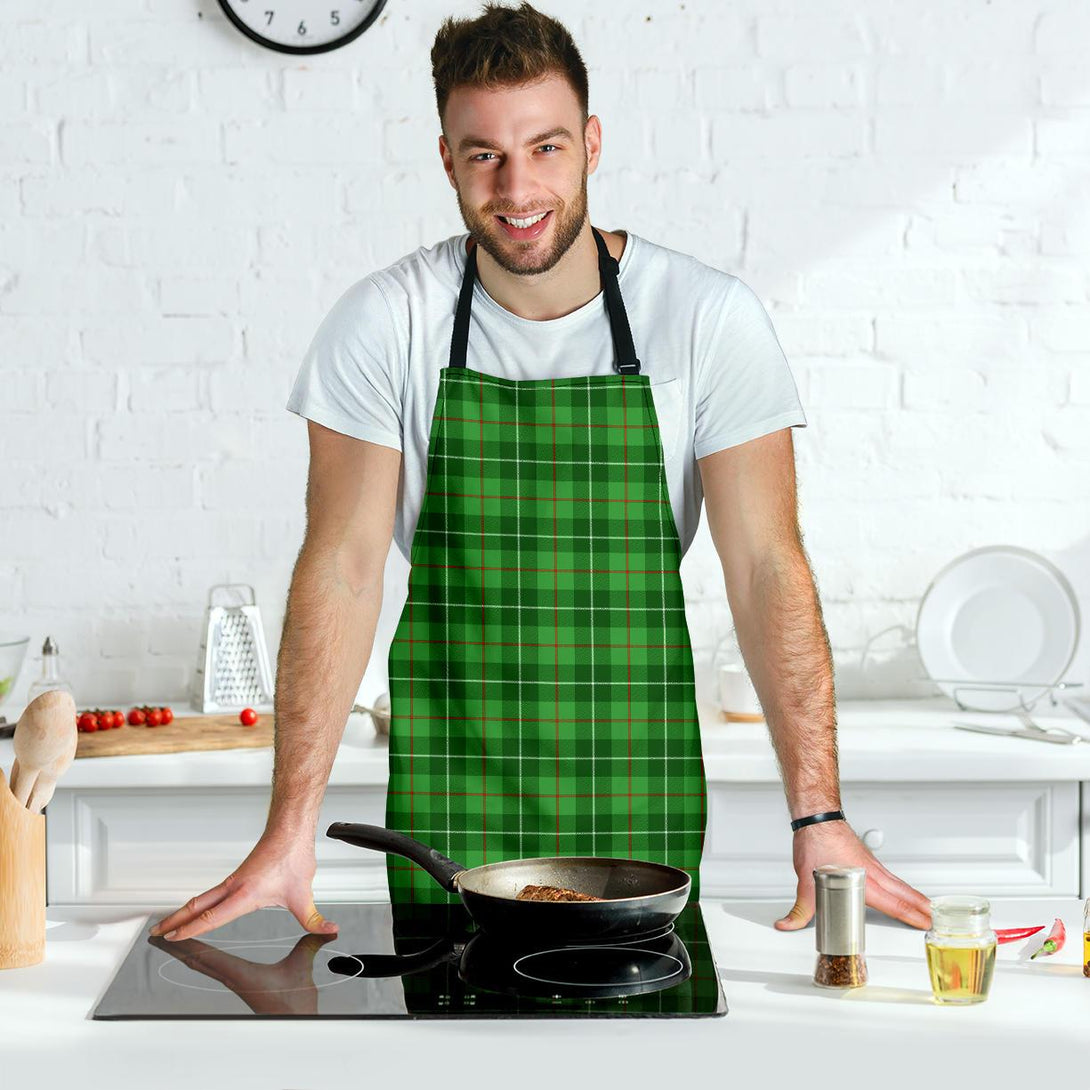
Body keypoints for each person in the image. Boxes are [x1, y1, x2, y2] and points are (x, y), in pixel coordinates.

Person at [150, 2, 931, 943]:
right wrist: (288, 829)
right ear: (446, 158)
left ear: (591, 143)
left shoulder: (706, 318)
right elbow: (343, 571)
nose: (517, 186)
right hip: (450, 804)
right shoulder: (386, 321)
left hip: (639, 805)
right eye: (484, 154)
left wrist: (819, 814)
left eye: (546, 147)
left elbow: (768, 566)